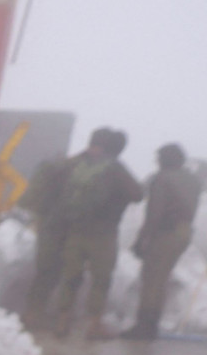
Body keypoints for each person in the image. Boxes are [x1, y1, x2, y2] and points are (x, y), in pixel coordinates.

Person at [49, 128, 145, 339]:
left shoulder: (79, 165)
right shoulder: (116, 168)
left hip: (75, 230)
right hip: (103, 234)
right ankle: (94, 324)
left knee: (70, 276)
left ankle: (62, 320)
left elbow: (56, 183)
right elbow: (138, 194)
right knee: (100, 279)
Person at [129, 143, 205, 341]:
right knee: (161, 278)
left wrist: (141, 239)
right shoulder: (193, 180)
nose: (157, 163)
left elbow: (154, 213)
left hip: (165, 232)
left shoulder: (162, 180)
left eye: (159, 158)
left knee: (152, 278)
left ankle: (144, 326)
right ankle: (151, 324)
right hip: (184, 231)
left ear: (166, 159)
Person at [20, 144, 79, 331]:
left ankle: (33, 312)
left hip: (48, 225)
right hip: (62, 227)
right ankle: (40, 312)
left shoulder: (54, 170)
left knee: (45, 270)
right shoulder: (75, 170)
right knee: (56, 271)